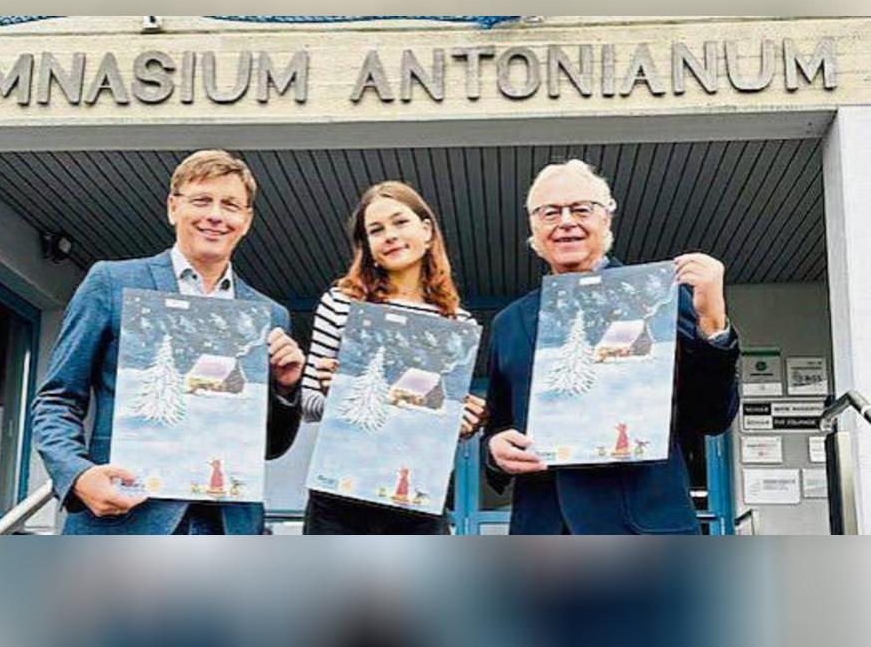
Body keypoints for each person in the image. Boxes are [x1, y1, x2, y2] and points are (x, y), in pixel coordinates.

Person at [32, 149, 305, 535]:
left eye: (230, 205)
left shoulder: (270, 316)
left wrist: (286, 387)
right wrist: (77, 475)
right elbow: (57, 399)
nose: (215, 215)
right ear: (173, 208)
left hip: (227, 529)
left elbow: (270, 447)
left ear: (246, 220)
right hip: (125, 521)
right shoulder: (111, 283)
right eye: (201, 200)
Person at [483, 159, 740, 534]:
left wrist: (713, 323)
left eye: (581, 209)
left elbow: (711, 417)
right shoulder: (510, 323)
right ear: (534, 230)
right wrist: (494, 452)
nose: (566, 221)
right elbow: (500, 424)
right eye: (550, 212)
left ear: (606, 219)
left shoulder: (659, 300)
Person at [301, 181, 487, 535]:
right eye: (376, 230)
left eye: (400, 222)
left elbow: (441, 424)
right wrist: (342, 394)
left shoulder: (457, 324)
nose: (390, 235)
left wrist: (462, 423)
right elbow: (307, 404)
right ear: (367, 246)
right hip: (342, 495)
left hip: (419, 496)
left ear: (427, 231)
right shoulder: (341, 304)